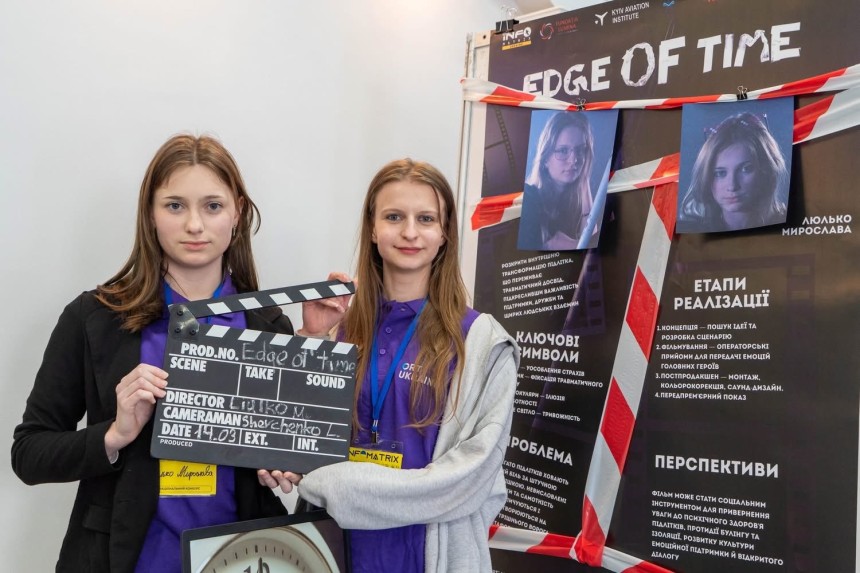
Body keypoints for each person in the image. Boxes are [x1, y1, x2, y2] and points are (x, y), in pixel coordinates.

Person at [11, 134, 292, 572]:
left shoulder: (268, 326)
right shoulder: (94, 317)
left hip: (240, 559)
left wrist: (283, 463)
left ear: (237, 212)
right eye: (175, 205)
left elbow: (288, 455)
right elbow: (29, 453)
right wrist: (114, 434)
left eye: (212, 206)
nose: (194, 225)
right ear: (150, 213)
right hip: (119, 560)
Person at [258, 159, 520, 573]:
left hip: (430, 556)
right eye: (394, 217)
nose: (410, 232)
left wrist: (333, 484)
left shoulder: (483, 343)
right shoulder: (340, 329)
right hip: (337, 550)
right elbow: (295, 437)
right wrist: (313, 338)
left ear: (445, 232)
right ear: (372, 228)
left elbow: (470, 478)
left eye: (426, 219)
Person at [678, 111, 788, 233]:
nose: (732, 186)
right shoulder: (690, 232)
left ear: (766, 171)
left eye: (745, 169)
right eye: (720, 173)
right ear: (706, 177)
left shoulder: (788, 223)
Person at [518, 111, 597, 250]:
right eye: (563, 151)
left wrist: (584, 180)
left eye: (580, 150)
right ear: (545, 158)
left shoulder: (573, 203)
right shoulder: (528, 198)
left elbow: (592, 241)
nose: (574, 160)